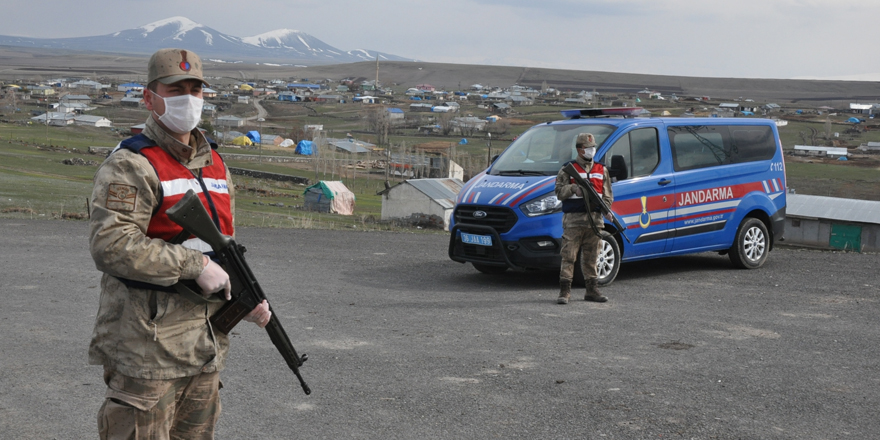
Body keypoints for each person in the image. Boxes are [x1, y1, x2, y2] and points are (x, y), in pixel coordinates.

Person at [88, 48, 271, 440]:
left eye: (195, 89)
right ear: (149, 97)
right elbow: (111, 243)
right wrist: (195, 267)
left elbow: (222, 250)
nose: (188, 98)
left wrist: (246, 295)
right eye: (175, 90)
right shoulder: (131, 164)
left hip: (204, 350)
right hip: (147, 351)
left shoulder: (215, 164)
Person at [554, 132, 614, 304]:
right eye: (588, 148)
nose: (591, 150)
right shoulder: (567, 169)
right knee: (569, 256)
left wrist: (605, 208)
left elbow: (608, 195)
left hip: (594, 221)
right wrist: (573, 188)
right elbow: (558, 192)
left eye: (593, 147)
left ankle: (592, 290)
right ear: (580, 150)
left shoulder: (601, 169)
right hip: (573, 220)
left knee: (592, 257)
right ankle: (564, 292)